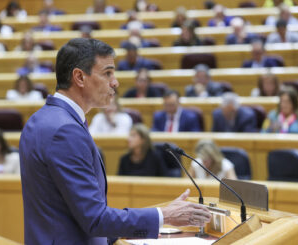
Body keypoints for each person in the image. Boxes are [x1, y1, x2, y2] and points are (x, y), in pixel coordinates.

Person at [19, 38, 212, 244]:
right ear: (79, 77)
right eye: (107, 73)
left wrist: (154, 219)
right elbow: (94, 219)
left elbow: (64, 212)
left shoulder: (41, 119)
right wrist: (164, 216)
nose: (115, 82)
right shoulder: (65, 130)